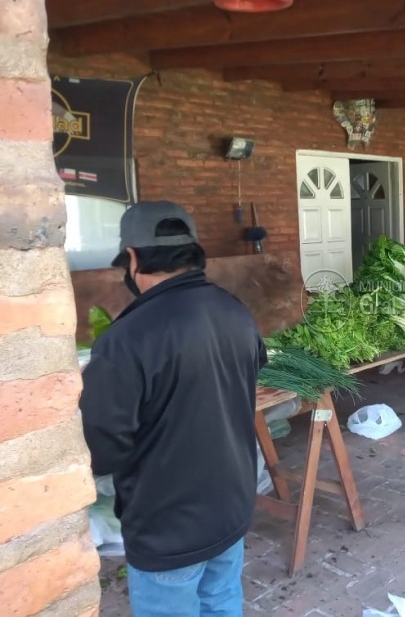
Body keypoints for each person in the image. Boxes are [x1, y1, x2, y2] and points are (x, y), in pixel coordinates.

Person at [79, 200, 267, 616]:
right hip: (231, 505)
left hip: (169, 526)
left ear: (131, 257)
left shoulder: (126, 338)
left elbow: (101, 446)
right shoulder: (234, 310)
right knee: (221, 602)